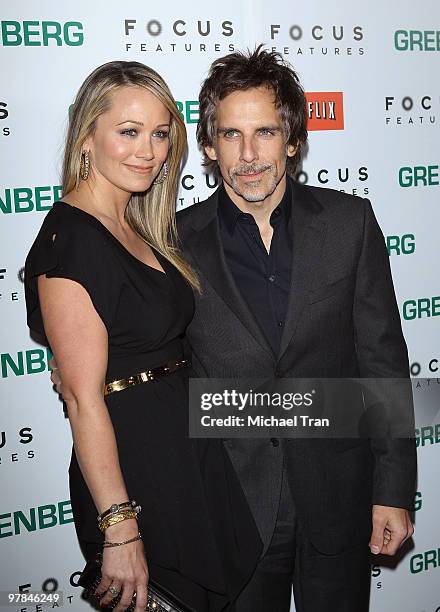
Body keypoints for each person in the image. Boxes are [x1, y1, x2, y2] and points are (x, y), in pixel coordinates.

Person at [174, 46, 417, 611]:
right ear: (209, 145)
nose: (249, 154)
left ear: (294, 139)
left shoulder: (349, 223)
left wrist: (394, 490)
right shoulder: (174, 240)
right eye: (232, 135)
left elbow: (382, 363)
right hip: (230, 505)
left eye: (264, 132)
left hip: (339, 495)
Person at [25, 60, 261, 612]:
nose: (148, 152)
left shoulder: (138, 226)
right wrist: (120, 530)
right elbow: (85, 402)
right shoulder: (71, 241)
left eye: (159, 134)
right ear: (87, 138)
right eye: (128, 132)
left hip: (187, 461)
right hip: (137, 475)